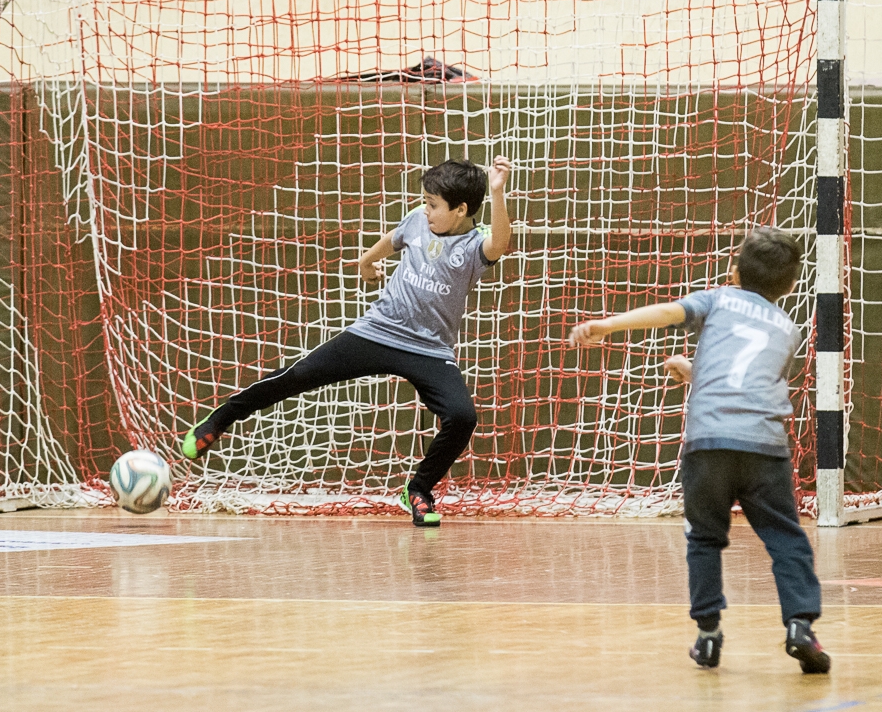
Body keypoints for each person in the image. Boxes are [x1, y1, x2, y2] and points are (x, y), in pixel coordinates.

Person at [181, 156, 513, 528]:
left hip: (429, 350)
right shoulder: (418, 221)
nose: (426, 209)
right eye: (425, 201)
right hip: (379, 331)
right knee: (299, 374)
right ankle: (221, 419)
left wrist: (497, 192)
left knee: (463, 417)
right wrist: (366, 261)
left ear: (461, 210)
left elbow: (499, 243)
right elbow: (396, 238)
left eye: (433, 204)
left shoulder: (474, 246)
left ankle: (418, 489)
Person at [568, 227, 830, 674]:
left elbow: (667, 313)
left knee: (704, 540)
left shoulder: (719, 300)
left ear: (735, 272)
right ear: (790, 285)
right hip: (764, 447)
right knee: (787, 539)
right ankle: (800, 627)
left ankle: (708, 636)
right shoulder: (789, 329)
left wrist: (606, 325)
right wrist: (696, 371)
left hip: (709, 444)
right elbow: (751, 380)